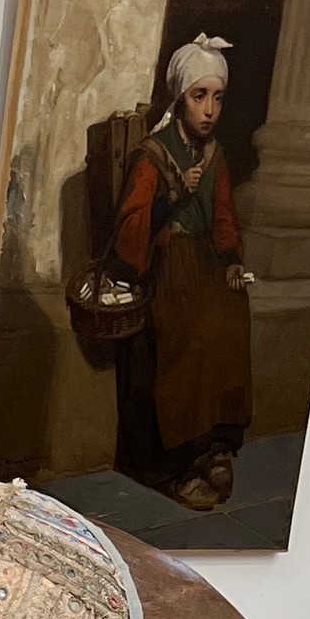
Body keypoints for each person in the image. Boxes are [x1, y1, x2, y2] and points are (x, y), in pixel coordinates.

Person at [101, 33, 257, 514]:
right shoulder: (153, 155)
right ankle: (176, 462)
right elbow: (130, 228)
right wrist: (173, 198)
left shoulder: (215, 156)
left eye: (217, 98)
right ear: (180, 98)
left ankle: (214, 448)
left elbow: (225, 215)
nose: (209, 109)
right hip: (162, 266)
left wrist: (231, 262)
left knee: (229, 323)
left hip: (204, 266)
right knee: (185, 335)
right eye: (199, 97)